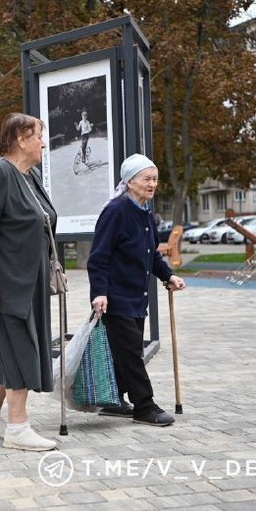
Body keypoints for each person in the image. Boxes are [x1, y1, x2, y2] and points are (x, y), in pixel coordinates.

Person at [0, 112, 58, 452]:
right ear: (20, 138)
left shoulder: (29, 176)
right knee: (21, 350)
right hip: (3, 285)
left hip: (27, 282)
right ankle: (17, 427)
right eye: (38, 136)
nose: (43, 143)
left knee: (9, 349)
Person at [87, 153, 186, 427]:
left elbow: (152, 255)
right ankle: (145, 406)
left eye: (155, 179)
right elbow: (98, 258)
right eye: (146, 178)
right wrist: (99, 293)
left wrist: (169, 276)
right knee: (131, 353)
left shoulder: (145, 213)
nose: (152, 184)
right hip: (115, 297)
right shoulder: (116, 211)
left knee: (125, 352)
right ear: (130, 181)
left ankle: (114, 400)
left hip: (136, 296)